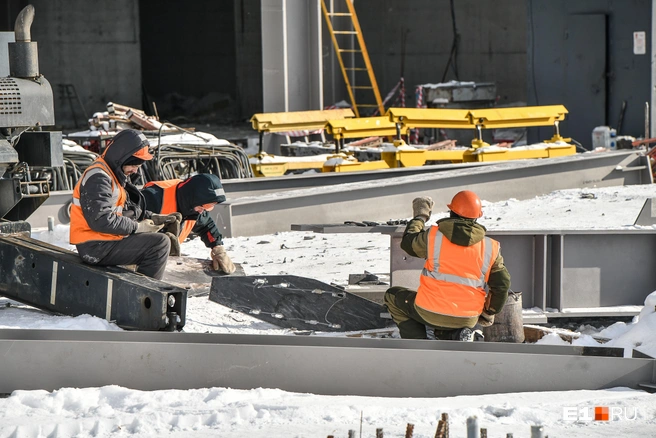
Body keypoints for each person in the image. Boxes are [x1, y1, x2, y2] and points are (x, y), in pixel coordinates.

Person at [384, 190, 511, 340]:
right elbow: (502, 285)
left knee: (392, 296)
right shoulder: (490, 248)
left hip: (429, 311)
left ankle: (418, 344)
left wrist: (420, 216)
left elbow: (408, 242)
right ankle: (453, 335)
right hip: (468, 317)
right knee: (448, 318)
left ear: (451, 212)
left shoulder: (434, 237)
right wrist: (489, 311)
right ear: (477, 217)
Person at [70, 129, 171, 280]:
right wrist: (137, 227)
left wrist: (152, 217)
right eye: (134, 164)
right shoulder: (99, 177)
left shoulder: (113, 173)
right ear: (122, 157)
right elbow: (101, 220)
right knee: (160, 244)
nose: (136, 170)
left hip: (104, 241)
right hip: (95, 246)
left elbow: (124, 210)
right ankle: (144, 293)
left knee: (160, 237)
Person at [141, 174, 236, 274]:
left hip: (163, 259)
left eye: (209, 207)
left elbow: (206, 226)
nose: (202, 211)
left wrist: (217, 247)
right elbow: (130, 223)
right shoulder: (152, 197)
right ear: (193, 197)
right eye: (205, 206)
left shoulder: (194, 208)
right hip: (141, 257)